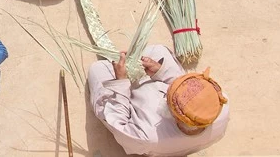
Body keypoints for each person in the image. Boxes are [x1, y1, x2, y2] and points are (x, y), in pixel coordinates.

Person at [88, 45, 230, 156]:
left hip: (134, 113)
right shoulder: (220, 105)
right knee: (159, 50)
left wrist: (121, 81)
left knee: (98, 68)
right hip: (167, 116)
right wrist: (161, 71)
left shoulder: (147, 136)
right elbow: (188, 89)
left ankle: (122, 81)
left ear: (174, 114)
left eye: (170, 95)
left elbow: (117, 121)